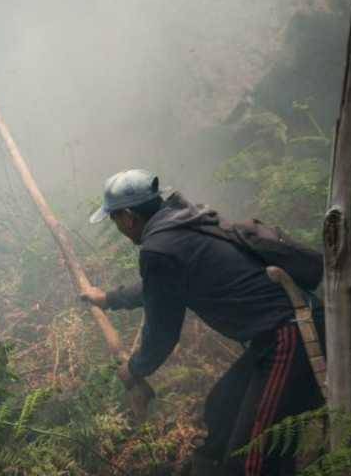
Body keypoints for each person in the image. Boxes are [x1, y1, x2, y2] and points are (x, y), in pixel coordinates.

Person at [79, 169, 324, 476]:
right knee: (221, 411)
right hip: (284, 332)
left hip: (292, 335)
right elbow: (159, 286)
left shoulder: (160, 248)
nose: (118, 228)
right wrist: (109, 299)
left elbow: (162, 333)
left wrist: (134, 370)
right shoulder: (181, 222)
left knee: (252, 459)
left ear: (128, 217)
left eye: (115, 220)